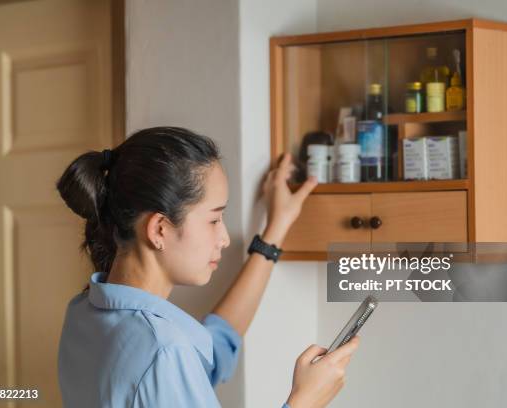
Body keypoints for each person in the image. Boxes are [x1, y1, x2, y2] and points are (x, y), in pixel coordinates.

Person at [56, 126, 360, 407]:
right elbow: (174, 359)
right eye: (214, 219)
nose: (224, 238)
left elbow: (214, 348)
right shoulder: (165, 350)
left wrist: (275, 230)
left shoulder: (83, 313)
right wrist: (305, 400)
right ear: (159, 229)